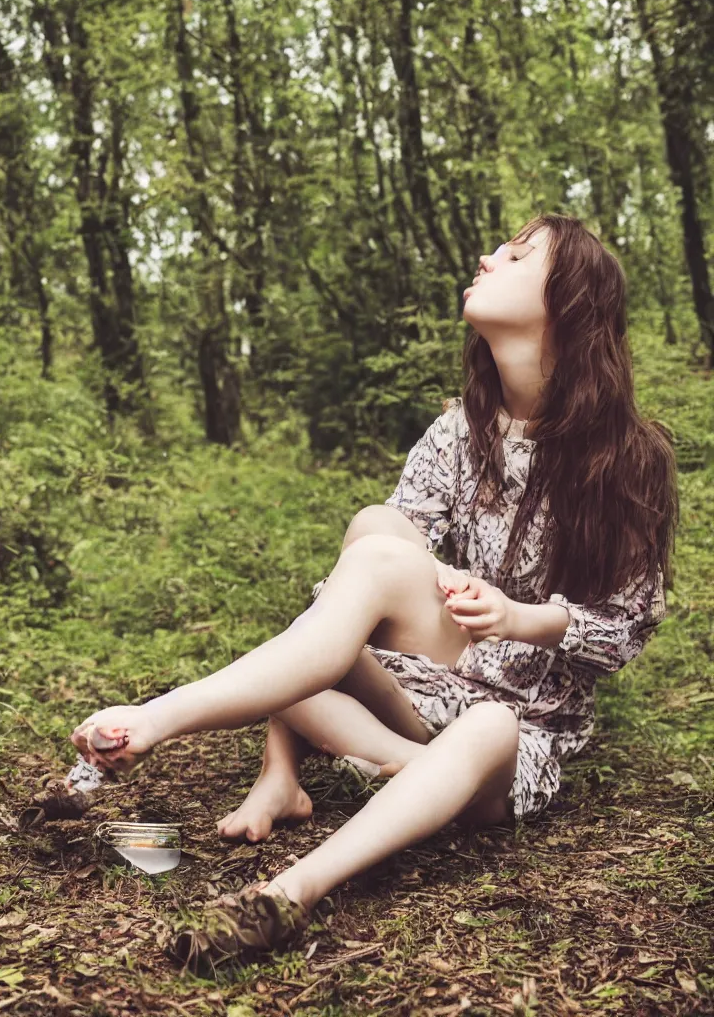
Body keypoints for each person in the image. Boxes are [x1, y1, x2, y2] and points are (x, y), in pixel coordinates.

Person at [70, 215, 678, 965]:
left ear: (569, 304)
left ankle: (290, 892)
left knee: (482, 727)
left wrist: (523, 617)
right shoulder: (461, 431)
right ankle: (183, 732)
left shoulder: (627, 458)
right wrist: (426, 588)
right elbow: (372, 573)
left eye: (517, 255)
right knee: (373, 531)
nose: (487, 256)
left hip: (522, 719)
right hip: (436, 682)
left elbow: (623, 632)